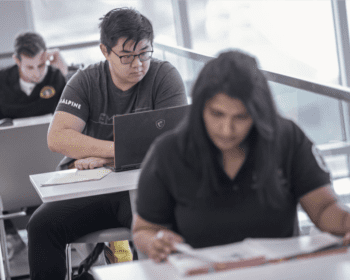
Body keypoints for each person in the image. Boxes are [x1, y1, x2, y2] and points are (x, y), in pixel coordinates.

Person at [132, 50, 350, 262]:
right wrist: (155, 241)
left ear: (259, 114)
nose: (227, 129)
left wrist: (346, 221)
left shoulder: (286, 138)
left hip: (278, 273)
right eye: (217, 114)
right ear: (199, 108)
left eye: (242, 117)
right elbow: (144, 229)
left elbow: (323, 208)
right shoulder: (168, 152)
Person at [26, 7, 187, 280]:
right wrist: (114, 153)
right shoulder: (87, 80)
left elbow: (174, 144)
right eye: (126, 56)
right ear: (105, 50)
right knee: (41, 225)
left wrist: (105, 157)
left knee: (162, 230)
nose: (137, 64)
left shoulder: (164, 76)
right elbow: (58, 137)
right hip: (94, 190)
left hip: (147, 188)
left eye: (144, 53)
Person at [0, 32, 68, 120]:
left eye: (41, 65)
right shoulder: (2, 80)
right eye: (30, 67)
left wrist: (64, 75)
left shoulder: (56, 77)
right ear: (17, 61)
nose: (37, 74)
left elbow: (74, 112)